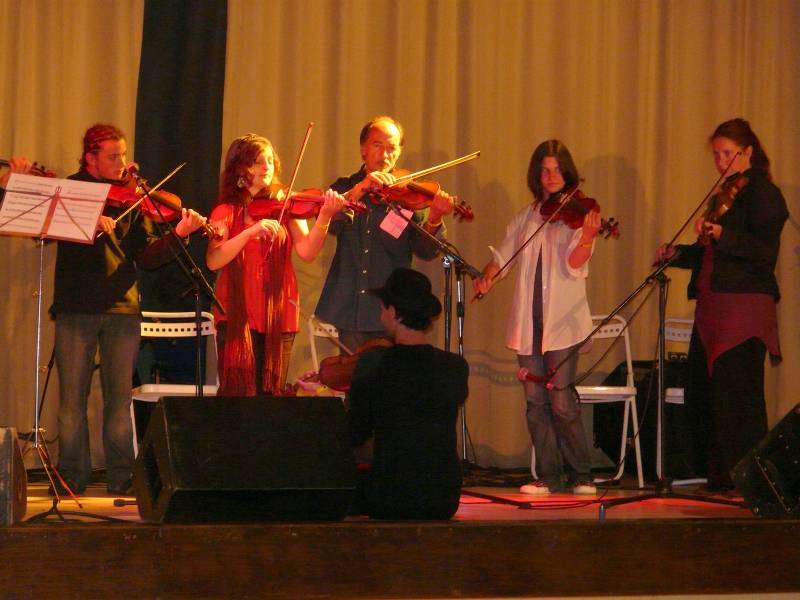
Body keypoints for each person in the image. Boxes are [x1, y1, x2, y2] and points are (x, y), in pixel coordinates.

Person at [50, 123, 207, 495]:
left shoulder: (132, 198)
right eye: (113, 156)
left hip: (123, 310)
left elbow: (148, 258)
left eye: (122, 154)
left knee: (119, 400)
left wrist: (179, 235)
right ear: (90, 158)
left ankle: (121, 477)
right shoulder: (69, 190)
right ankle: (73, 476)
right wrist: (88, 220)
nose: (122, 163)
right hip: (76, 309)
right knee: (72, 399)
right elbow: (51, 231)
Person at [654, 118, 788, 492]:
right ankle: (720, 476)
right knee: (708, 394)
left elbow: (763, 253)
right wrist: (676, 253)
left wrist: (724, 234)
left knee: (738, 395)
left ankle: (747, 480)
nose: (721, 161)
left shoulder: (765, 194)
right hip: (713, 308)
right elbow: (707, 254)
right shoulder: (726, 193)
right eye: (717, 155)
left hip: (744, 309)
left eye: (728, 154)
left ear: (748, 152)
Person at [473, 140, 601, 496]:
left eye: (557, 169)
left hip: (565, 324)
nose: (551, 176)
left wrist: (588, 237)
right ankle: (549, 476)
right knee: (535, 404)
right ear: (537, 175)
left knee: (561, 401)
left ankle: (582, 474)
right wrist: (487, 276)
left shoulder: (579, 213)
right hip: (528, 323)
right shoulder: (527, 216)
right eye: (545, 170)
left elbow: (575, 266)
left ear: (567, 171)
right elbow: (502, 256)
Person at [206, 133, 345, 396]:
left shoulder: (286, 205)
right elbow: (213, 261)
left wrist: (324, 216)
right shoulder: (224, 211)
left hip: (278, 315)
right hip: (237, 315)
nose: (266, 167)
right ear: (239, 168)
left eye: (270, 160)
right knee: (236, 398)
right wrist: (249, 232)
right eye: (257, 161)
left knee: (271, 396)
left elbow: (306, 251)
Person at [315, 115, 456, 352]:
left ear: (399, 152)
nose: (385, 154)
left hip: (390, 310)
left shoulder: (408, 195)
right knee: (354, 380)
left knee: (389, 382)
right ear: (363, 149)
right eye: (377, 145)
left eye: (392, 148)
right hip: (350, 306)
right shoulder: (344, 187)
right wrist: (360, 189)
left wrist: (435, 218)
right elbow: (330, 222)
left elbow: (425, 250)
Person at [348, 267, 469, 519]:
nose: (381, 316)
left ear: (393, 312)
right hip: (443, 497)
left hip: (391, 495)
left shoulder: (374, 365)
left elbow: (356, 432)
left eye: (382, 309)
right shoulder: (455, 367)